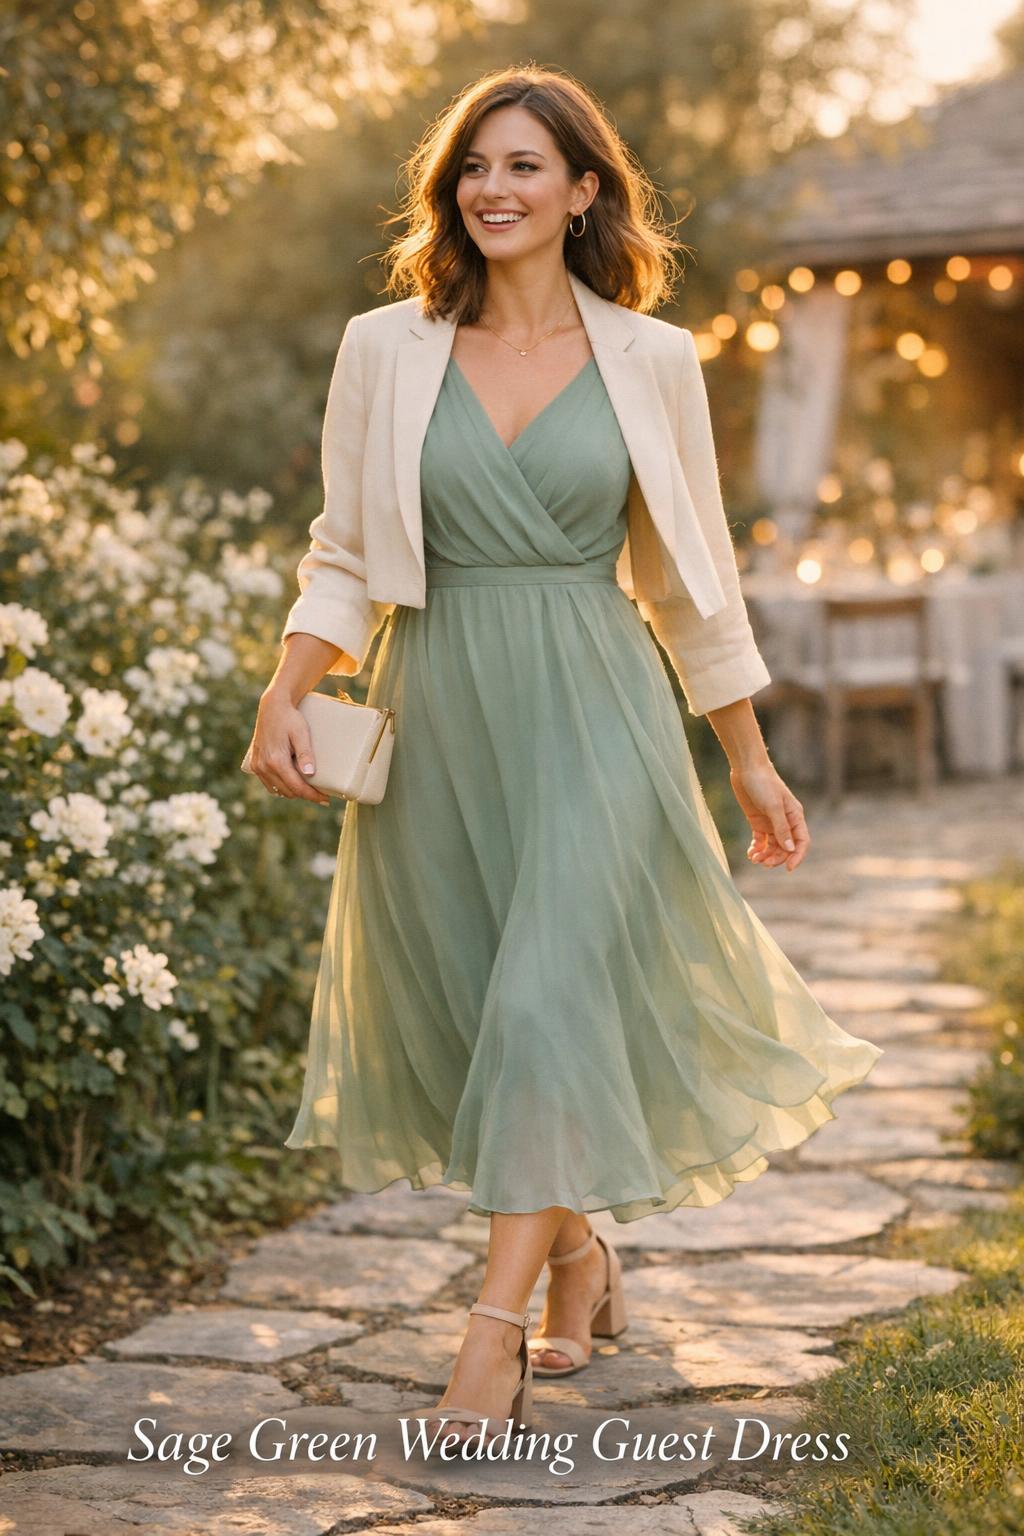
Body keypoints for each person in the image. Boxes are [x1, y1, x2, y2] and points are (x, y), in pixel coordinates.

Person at [245, 65, 883, 1449]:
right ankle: (579, 1255)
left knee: (545, 1004)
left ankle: (488, 1340)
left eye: (528, 166)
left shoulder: (654, 361)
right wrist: (286, 690)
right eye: (475, 166)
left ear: (585, 189)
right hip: (445, 703)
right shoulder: (385, 347)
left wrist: (751, 760)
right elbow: (346, 550)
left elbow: (691, 585)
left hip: (599, 707)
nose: (495, 189)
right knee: (494, 1012)